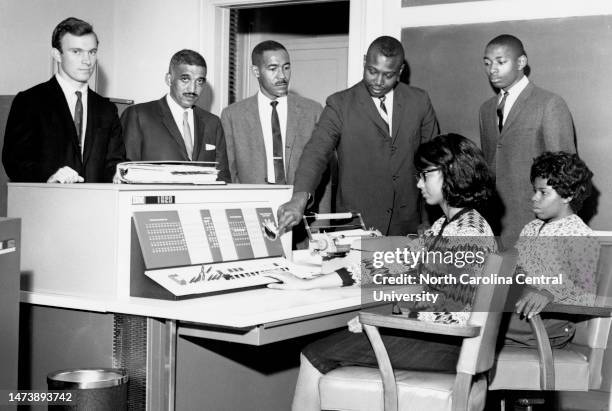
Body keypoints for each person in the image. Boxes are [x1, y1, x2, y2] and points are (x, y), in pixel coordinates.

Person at [268, 134, 496, 411]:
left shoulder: (465, 233)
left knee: (314, 355)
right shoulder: (452, 225)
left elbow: (451, 313)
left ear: (450, 172)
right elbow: (387, 266)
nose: (418, 183)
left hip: (446, 346)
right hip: (448, 343)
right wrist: (309, 283)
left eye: (424, 175)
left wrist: (381, 320)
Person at [277, 35, 439, 237]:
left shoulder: (419, 101)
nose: (378, 81)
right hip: (357, 225)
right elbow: (316, 152)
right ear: (364, 62)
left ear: (400, 72)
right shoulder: (339, 104)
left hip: (409, 224)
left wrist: (430, 219)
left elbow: (433, 163)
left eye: (388, 75)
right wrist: (299, 198)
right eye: (372, 71)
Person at [479, 34, 576, 249]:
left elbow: (565, 174)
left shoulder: (549, 103)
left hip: (536, 224)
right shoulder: (486, 109)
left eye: (501, 62)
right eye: (487, 63)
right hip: (495, 225)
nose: (492, 69)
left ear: (521, 62)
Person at [2, 17, 125, 183]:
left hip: (96, 205)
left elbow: (113, 163)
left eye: (92, 52)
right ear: (57, 55)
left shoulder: (107, 109)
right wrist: (51, 175)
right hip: (47, 204)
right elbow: (14, 161)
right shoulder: (29, 101)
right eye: (76, 51)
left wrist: (119, 174)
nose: (87, 61)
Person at [221, 40, 330, 212]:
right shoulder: (232, 115)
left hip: (303, 212)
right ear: (256, 71)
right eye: (273, 69)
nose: (282, 76)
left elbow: (325, 172)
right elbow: (230, 172)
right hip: (253, 211)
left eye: (286, 67)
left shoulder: (313, 111)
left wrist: (320, 224)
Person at [505, 151, 599, 348]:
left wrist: (549, 293)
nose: (534, 198)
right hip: (521, 312)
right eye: (534, 191)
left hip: (551, 323)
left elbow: (585, 292)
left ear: (569, 195)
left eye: (543, 192)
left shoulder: (579, 234)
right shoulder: (531, 228)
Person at [120, 49, 230, 182]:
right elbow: (126, 175)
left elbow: (223, 178)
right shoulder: (138, 115)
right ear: (169, 79)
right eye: (185, 79)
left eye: (199, 81)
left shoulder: (213, 123)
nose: (192, 89)